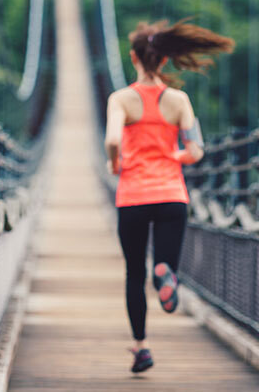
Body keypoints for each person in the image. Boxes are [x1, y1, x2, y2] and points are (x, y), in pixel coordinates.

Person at [104, 19, 234, 373]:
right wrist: (171, 156)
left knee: (134, 272)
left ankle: (141, 347)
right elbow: (196, 150)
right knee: (164, 264)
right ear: (164, 61)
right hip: (170, 195)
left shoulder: (121, 99)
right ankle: (166, 273)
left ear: (133, 57)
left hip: (133, 195)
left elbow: (113, 140)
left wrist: (117, 163)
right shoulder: (179, 100)